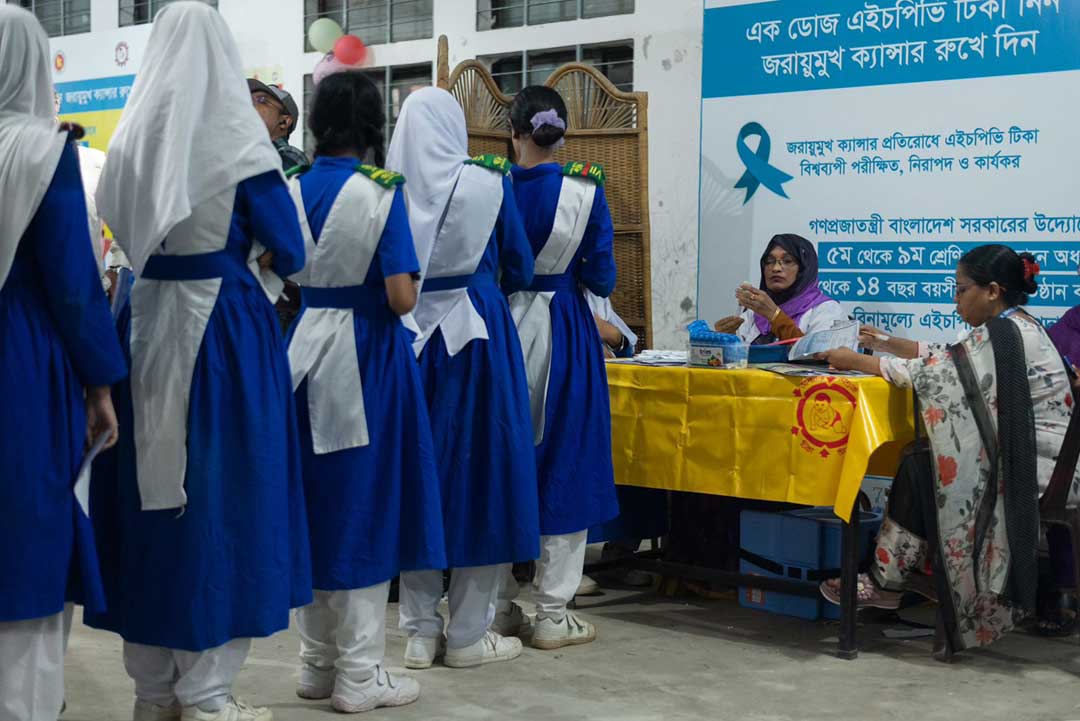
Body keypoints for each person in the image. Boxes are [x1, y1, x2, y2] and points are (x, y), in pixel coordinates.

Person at [86, 5, 311, 720]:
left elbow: (120, 224)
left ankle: (153, 693)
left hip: (141, 320)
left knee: (145, 500)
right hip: (223, 335)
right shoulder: (240, 146)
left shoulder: (128, 143)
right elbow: (294, 247)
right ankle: (209, 693)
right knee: (223, 497)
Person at [818, 245, 1080, 653]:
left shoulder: (1005, 335)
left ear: (992, 291)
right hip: (1033, 455)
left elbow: (928, 375)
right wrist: (887, 343)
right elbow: (948, 357)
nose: (954, 299)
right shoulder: (1015, 325)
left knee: (919, 464)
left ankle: (888, 580)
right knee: (921, 460)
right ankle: (897, 578)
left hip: (1036, 468)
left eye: (961, 290)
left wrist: (855, 360)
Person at [286, 71, 446, 713]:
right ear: (372, 127)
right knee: (364, 508)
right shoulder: (382, 194)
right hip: (366, 358)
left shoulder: (293, 187)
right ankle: (359, 672)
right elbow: (402, 294)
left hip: (298, 354)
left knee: (311, 505)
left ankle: (314, 663)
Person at [385, 88, 541, 668]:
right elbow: (520, 266)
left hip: (407, 341)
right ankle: (471, 635)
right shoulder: (487, 182)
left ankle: (419, 634)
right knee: (483, 478)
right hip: (476, 339)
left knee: (418, 480)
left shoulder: (386, 191)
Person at [0, 8, 126, 720]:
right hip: (21, 359)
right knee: (27, 529)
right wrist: (100, 382)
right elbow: (74, 286)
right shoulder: (43, 152)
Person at [499, 85, 619, 649]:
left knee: (501, 461)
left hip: (496, 329)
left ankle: (493, 606)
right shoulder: (584, 192)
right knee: (568, 458)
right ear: (563, 134)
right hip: (565, 331)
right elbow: (602, 281)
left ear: (512, 133)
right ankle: (551, 611)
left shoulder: (488, 185)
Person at [714, 234, 846, 344]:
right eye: (769, 261)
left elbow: (820, 357)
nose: (775, 268)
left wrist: (775, 316)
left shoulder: (826, 309)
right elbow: (739, 358)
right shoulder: (755, 312)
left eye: (787, 261)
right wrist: (724, 339)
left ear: (804, 269)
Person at [248, 78, 308, 171]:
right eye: (248, 100)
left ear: (284, 122)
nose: (250, 105)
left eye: (261, 100)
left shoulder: (290, 156)